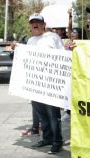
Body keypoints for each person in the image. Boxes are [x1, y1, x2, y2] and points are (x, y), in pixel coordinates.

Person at [26, 13, 65, 154]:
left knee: (53, 115)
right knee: (42, 115)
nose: (35, 24)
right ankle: (47, 138)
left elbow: (63, 55)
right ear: (30, 25)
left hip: (51, 84)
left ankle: (57, 141)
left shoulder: (53, 37)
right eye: (32, 22)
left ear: (44, 24)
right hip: (36, 85)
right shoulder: (30, 41)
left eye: (38, 22)